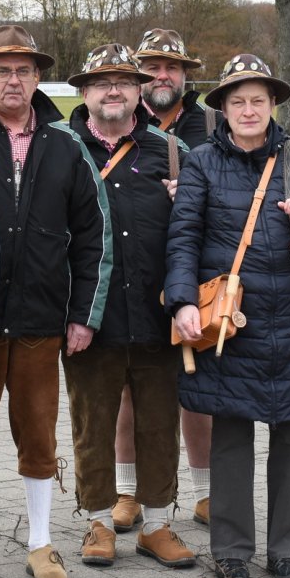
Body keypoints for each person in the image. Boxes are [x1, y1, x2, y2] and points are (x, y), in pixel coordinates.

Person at [167, 55, 290, 578]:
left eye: (257, 100)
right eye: (237, 101)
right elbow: (183, 237)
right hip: (232, 323)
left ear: (272, 104)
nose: (248, 110)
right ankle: (230, 550)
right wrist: (182, 300)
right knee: (230, 433)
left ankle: (286, 551)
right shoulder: (203, 162)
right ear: (222, 109)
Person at [0, 23, 111, 578]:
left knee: (38, 437)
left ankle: (41, 542)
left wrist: (83, 313)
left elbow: (94, 235)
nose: (14, 80)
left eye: (25, 70)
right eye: (2, 70)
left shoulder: (67, 145)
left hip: (42, 320)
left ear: (39, 78)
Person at [62, 44, 195, 571]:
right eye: (101, 82)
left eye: (124, 81)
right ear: (84, 92)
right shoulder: (62, 148)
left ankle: (158, 525)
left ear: (140, 92)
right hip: (89, 316)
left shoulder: (172, 151)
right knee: (91, 422)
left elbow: (195, 232)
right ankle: (96, 521)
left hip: (157, 312)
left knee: (160, 423)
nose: (113, 90)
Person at [113, 28, 220, 531]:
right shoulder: (118, 126)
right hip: (134, 272)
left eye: (171, 67)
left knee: (195, 386)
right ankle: (127, 492)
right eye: (152, 66)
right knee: (130, 391)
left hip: (197, 273)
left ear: (185, 76)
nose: (162, 75)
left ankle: (206, 493)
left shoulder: (214, 126)